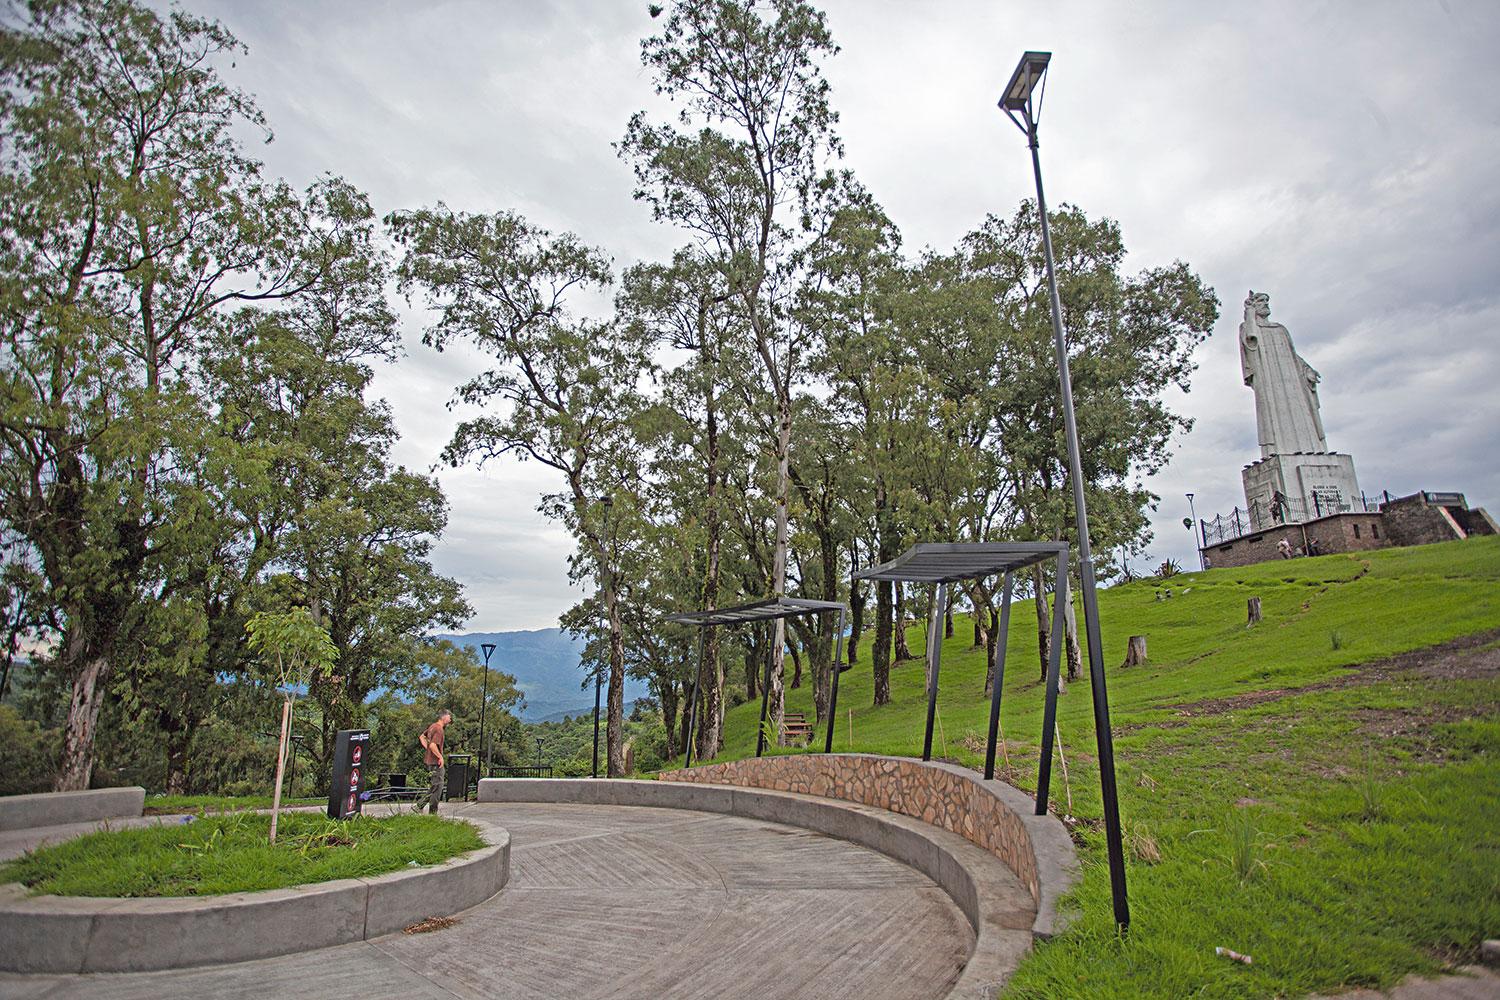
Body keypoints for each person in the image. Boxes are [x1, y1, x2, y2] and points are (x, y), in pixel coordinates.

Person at [413, 710, 452, 815]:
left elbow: (422, 737)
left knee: (435, 786)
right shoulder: (439, 729)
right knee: (438, 787)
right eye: (449, 717)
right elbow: (433, 745)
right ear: (444, 717)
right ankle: (432, 813)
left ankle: (419, 806)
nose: (450, 719)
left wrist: (428, 749)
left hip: (430, 761)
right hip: (436, 762)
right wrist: (440, 756)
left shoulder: (432, 726)